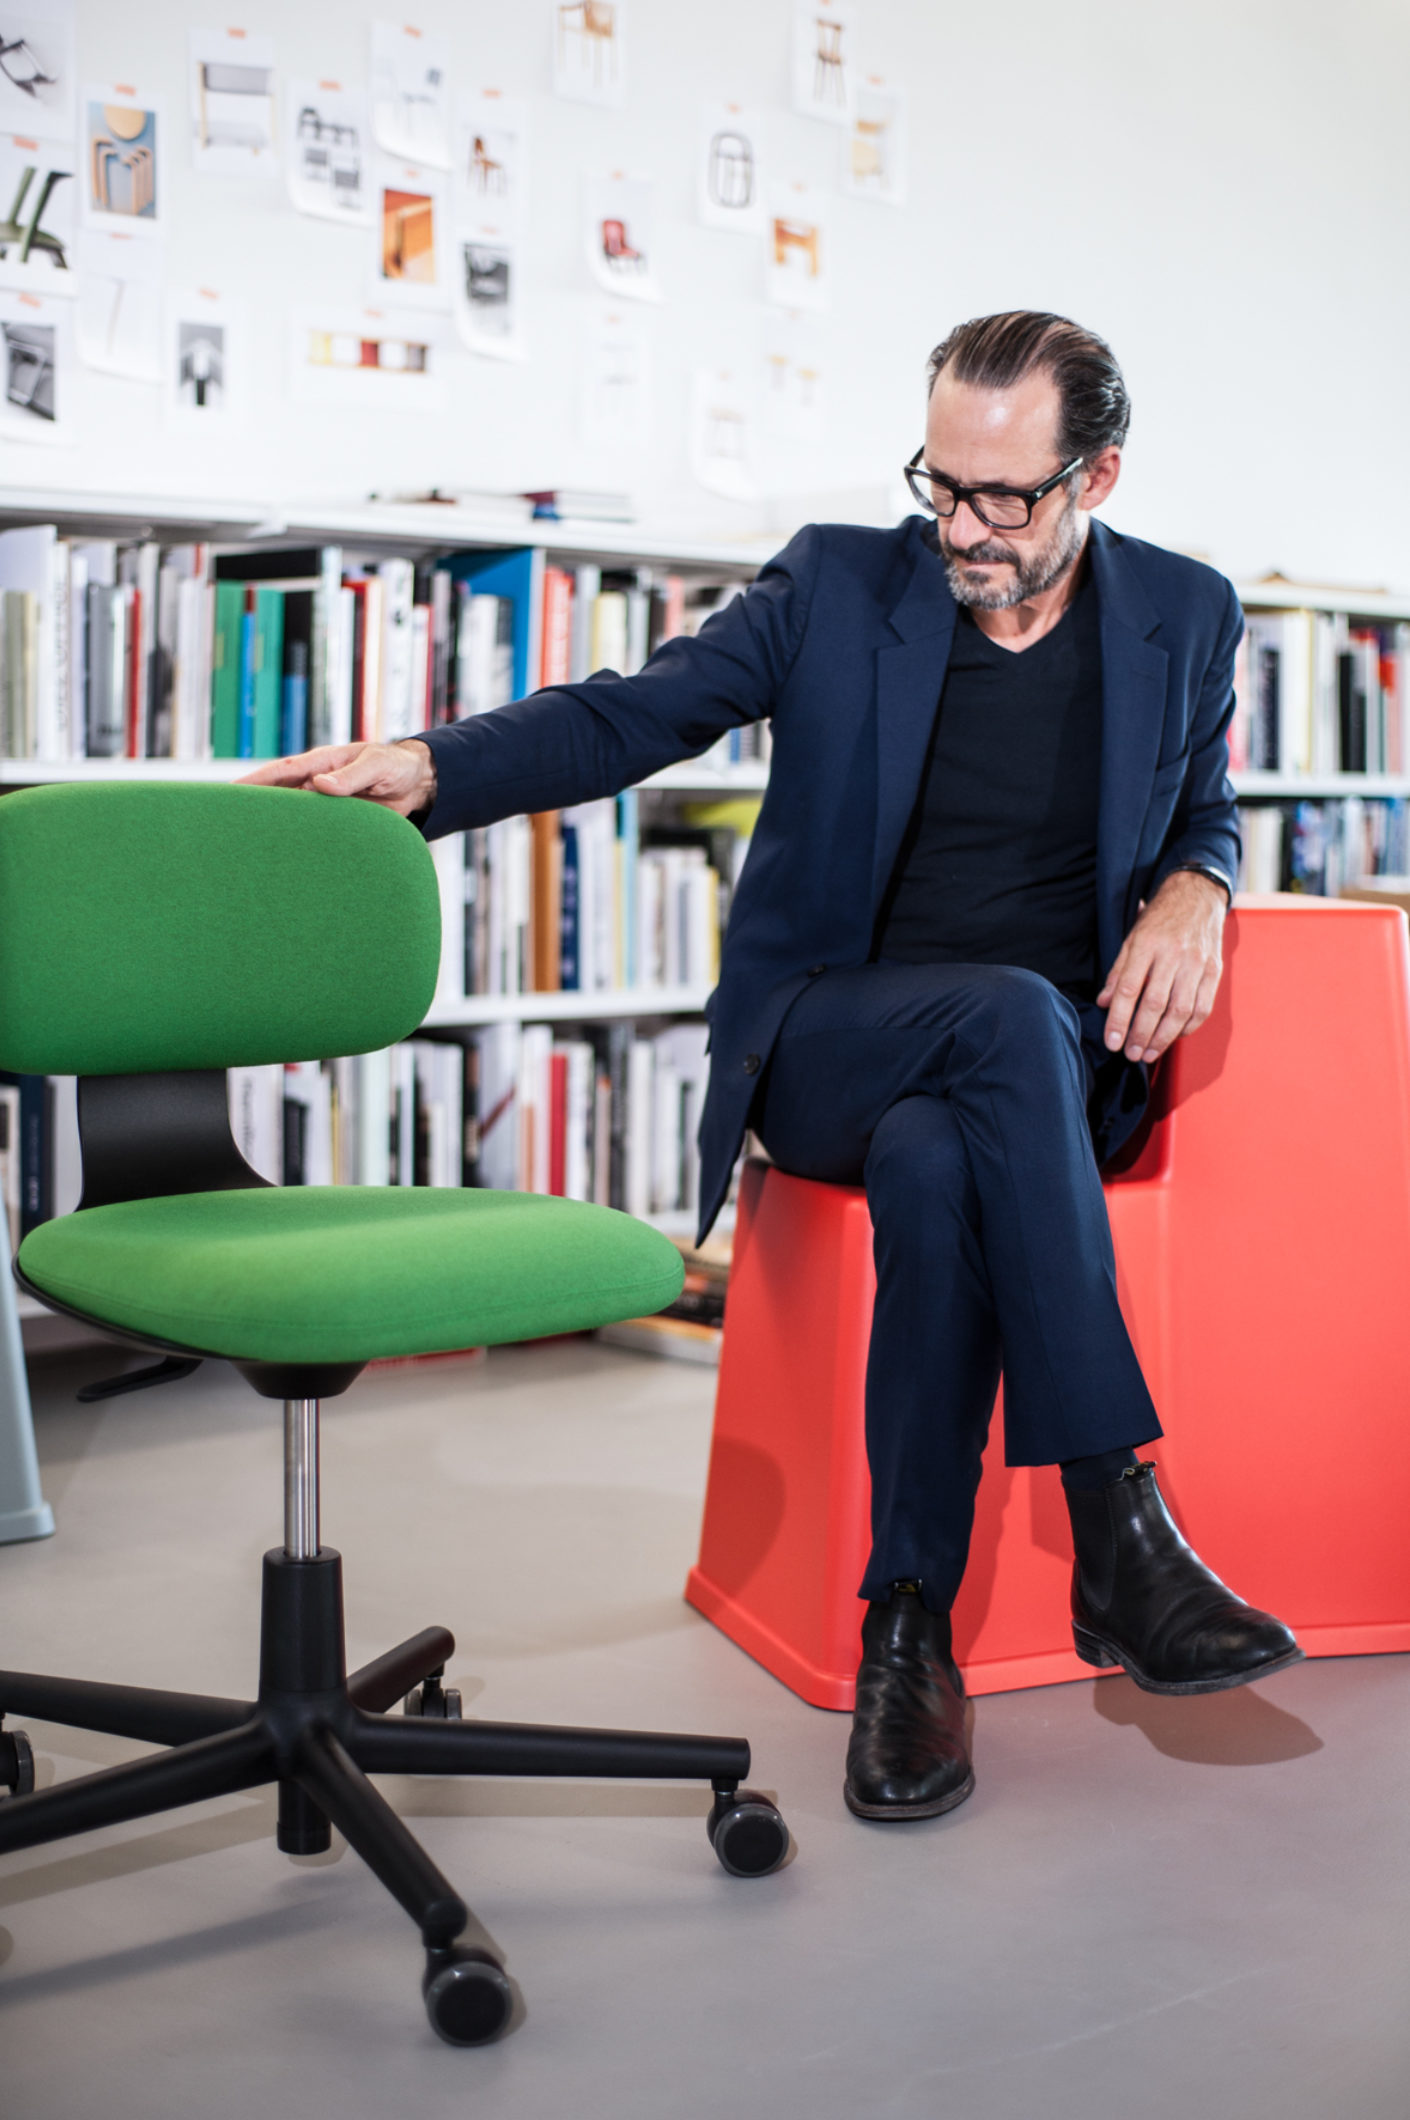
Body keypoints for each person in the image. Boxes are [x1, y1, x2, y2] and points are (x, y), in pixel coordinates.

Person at [246, 310, 1301, 1824]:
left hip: (1028, 1081)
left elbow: (1204, 807)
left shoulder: (1186, 615)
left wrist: (1201, 886)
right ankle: (1115, 1520)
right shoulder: (838, 583)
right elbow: (631, 715)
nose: (962, 528)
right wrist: (431, 766)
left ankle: (903, 1633)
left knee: (944, 1154)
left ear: (1099, 476)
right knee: (1001, 1018)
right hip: (831, 1041)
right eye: (940, 484)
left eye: (1004, 497)